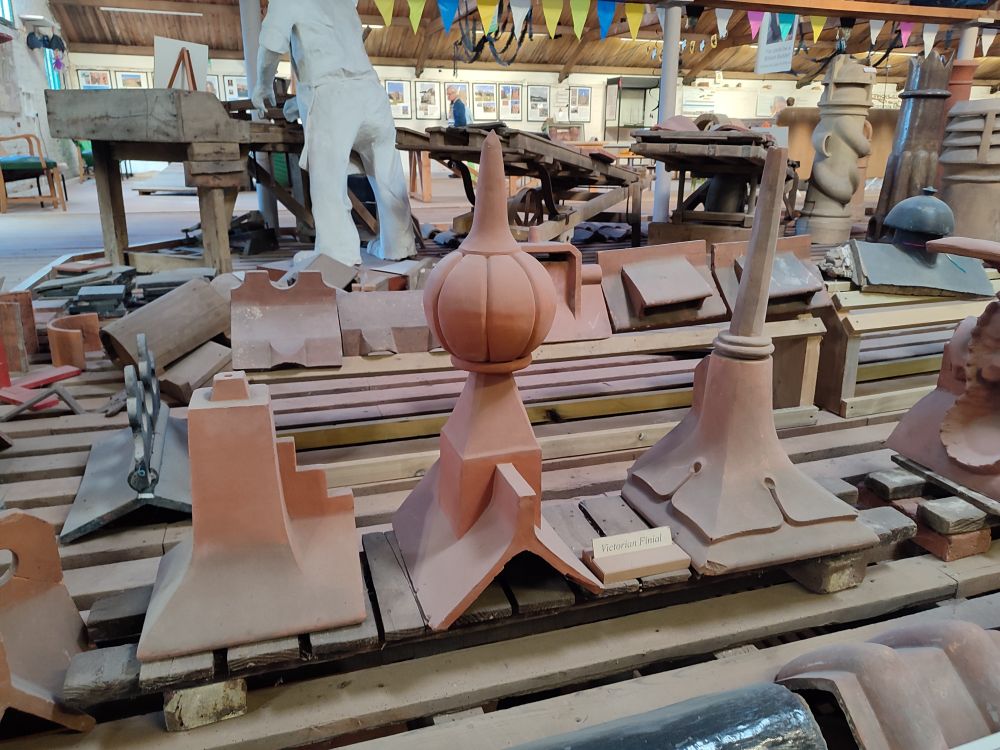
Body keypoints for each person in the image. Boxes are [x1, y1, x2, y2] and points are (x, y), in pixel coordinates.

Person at [251, 0, 415, 265]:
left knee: (327, 175)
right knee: (388, 176)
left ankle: (336, 252)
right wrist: (299, 105)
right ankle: (399, 244)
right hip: (371, 92)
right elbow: (340, 59)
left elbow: (271, 45)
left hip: (331, 96)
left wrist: (262, 86)